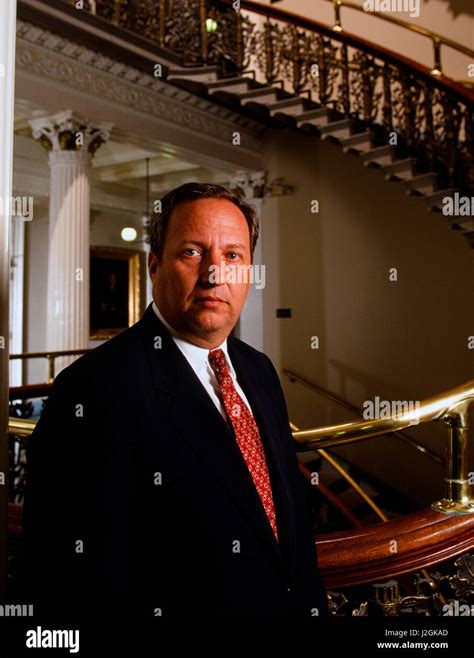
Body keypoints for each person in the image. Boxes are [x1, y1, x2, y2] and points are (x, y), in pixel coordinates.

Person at [23, 182, 329, 627]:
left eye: (233, 256)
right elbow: (65, 578)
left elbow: (286, 524)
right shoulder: (92, 390)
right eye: (191, 252)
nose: (214, 274)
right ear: (154, 265)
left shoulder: (258, 370)